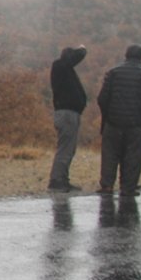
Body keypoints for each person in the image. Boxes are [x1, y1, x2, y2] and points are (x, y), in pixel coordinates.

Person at [96, 44, 141, 197]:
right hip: (138, 123)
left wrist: (107, 115)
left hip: (113, 122)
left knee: (110, 154)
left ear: (126, 55)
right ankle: (128, 187)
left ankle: (107, 185)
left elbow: (102, 98)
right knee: (134, 155)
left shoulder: (113, 72)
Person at [47, 45, 88, 192]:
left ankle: (62, 179)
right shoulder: (59, 66)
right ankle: (56, 180)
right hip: (67, 114)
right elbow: (75, 57)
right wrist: (82, 49)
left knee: (68, 149)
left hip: (70, 114)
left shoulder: (65, 69)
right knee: (65, 149)